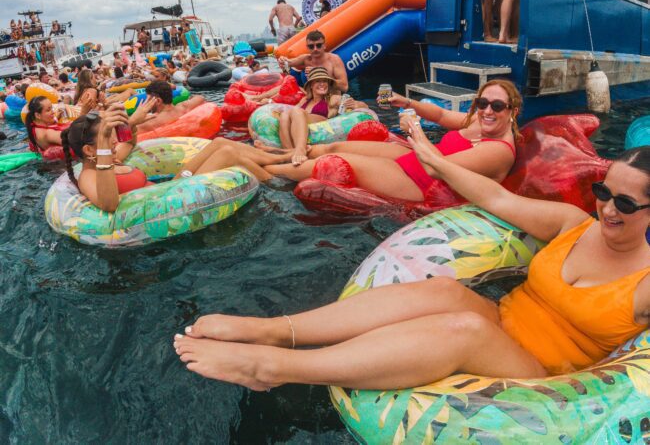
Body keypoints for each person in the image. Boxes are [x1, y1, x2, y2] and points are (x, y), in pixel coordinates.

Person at [173, 144, 650, 392]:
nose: (609, 209)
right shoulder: (573, 224)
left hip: (545, 370)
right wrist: (434, 162)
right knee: (444, 291)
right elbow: (498, 197)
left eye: (626, 202)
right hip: (504, 321)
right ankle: (276, 331)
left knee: (465, 328)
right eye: (604, 193)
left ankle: (276, 367)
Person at [265, 79, 520, 203]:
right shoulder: (479, 121)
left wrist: (415, 129)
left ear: (513, 111)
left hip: (420, 182)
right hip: (414, 159)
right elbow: (441, 114)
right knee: (333, 146)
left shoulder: (499, 151)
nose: (487, 111)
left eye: (497, 106)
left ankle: (264, 171)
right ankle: (274, 155)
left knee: (337, 161)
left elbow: (437, 167)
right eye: (482, 103)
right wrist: (407, 103)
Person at [268, 67, 364, 166]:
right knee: (285, 115)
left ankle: (300, 150)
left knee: (297, 111)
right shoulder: (305, 100)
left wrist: (355, 104)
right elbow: (290, 113)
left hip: (322, 122)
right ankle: (289, 152)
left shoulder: (332, 99)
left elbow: (363, 106)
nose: (322, 84)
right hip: (302, 122)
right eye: (318, 81)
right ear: (311, 85)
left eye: (325, 81)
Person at [277, 30, 348, 93]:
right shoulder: (306, 59)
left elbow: (344, 87)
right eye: (311, 46)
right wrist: (282, 61)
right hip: (312, 99)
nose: (315, 49)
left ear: (324, 46)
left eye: (319, 45)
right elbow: (288, 62)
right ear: (307, 48)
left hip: (331, 99)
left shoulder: (334, 59)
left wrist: (319, 74)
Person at [134, 80, 204, 134]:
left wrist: (136, 116)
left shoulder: (150, 123)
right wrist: (190, 98)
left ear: (158, 101)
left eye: (148, 99)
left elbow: (127, 134)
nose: (147, 102)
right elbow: (200, 97)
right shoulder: (184, 107)